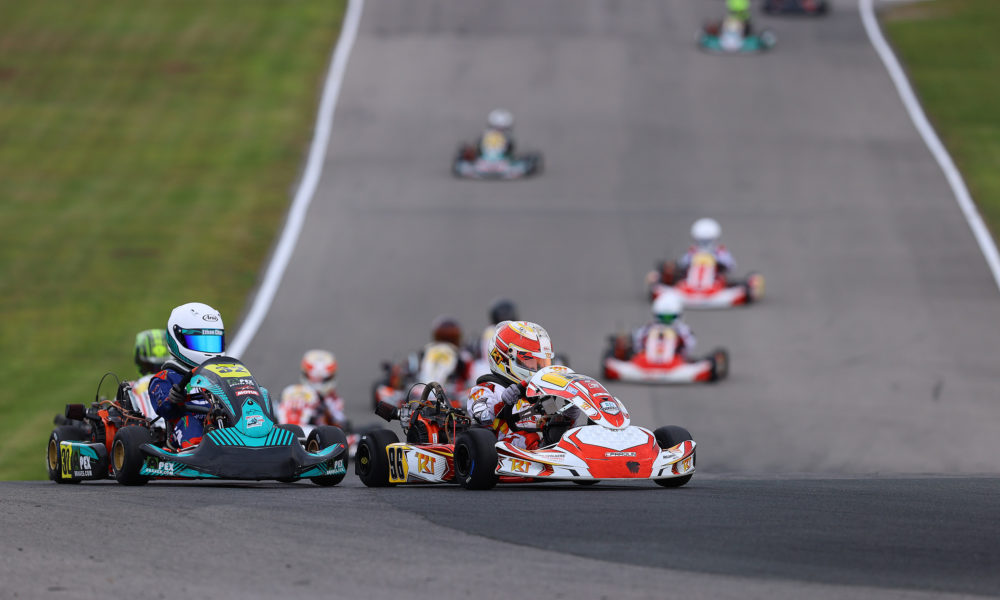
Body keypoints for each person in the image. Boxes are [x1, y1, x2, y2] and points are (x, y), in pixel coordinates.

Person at [466, 321, 556, 450]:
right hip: (498, 450)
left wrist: (569, 415)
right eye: (531, 362)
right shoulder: (487, 389)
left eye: (542, 363)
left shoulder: (539, 394)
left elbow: (552, 422)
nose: (538, 368)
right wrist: (503, 402)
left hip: (542, 448)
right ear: (504, 358)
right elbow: (482, 416)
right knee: (526, 438)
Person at [148, 302, 225, 449]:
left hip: (221, 425)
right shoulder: (166, 377)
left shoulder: (223, 374)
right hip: (186, 431)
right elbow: (165, 409)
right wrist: (173, 398)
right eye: (200, 342)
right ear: (178, 338)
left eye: (213, 343)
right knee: (188, 421)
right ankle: (197, 452)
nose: (208, 350)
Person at [633, 292, 696, 359]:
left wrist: (681, 354)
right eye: (663, 317)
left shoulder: (682, 330)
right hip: (647, 358)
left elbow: (690, 344)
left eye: (669, 317)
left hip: (674, 359)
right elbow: (637, 339)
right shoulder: (648, 329)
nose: (666, 320)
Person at [128, 329, 171, 425]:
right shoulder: (128, 389)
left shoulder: (130, 388)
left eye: (161, 366)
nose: (156, 373)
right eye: (151, 366)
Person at [298, 349, 348, 428]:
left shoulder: (333, 401)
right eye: (315, 379)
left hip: (318, 432)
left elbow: (341, 424)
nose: (318, 384)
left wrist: (323, 412)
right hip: (296, 428)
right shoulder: (295, 393)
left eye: (323, 380)